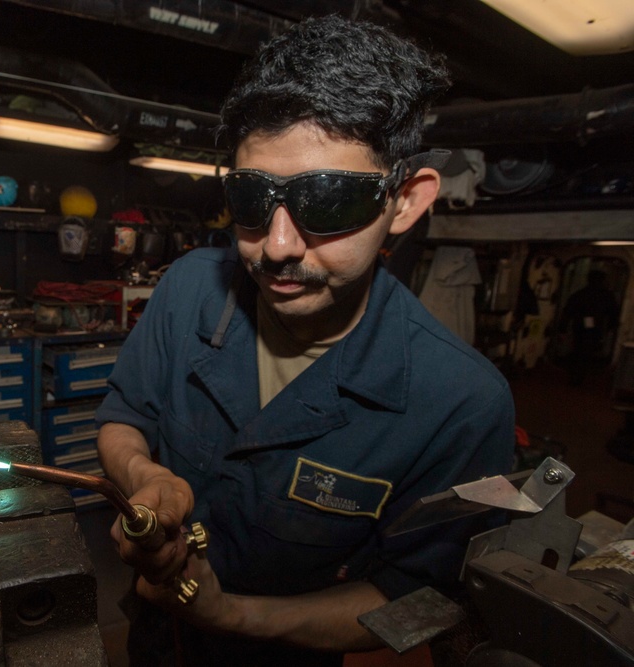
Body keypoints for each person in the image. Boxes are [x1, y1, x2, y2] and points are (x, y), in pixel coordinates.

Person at [95, 14, 516, 666]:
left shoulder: (463, 404)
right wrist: (145, 474)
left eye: (328, 201)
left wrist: (228, 611)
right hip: (155, 636)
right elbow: (124, 417)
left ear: (405, 201)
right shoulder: (187, 291)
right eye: (252, 198)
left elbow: (422, 600)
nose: (280, 246)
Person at [559, 269, 620, 386]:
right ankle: (580, 375)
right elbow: (613, 313)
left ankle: (575, 375)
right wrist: (612, 327)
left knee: (578, 349)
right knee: (587, 352)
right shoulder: (606, 295)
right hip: (595, 327)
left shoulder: (580, 294)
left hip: (580, 326)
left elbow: (567, 311)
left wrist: (563, 327)